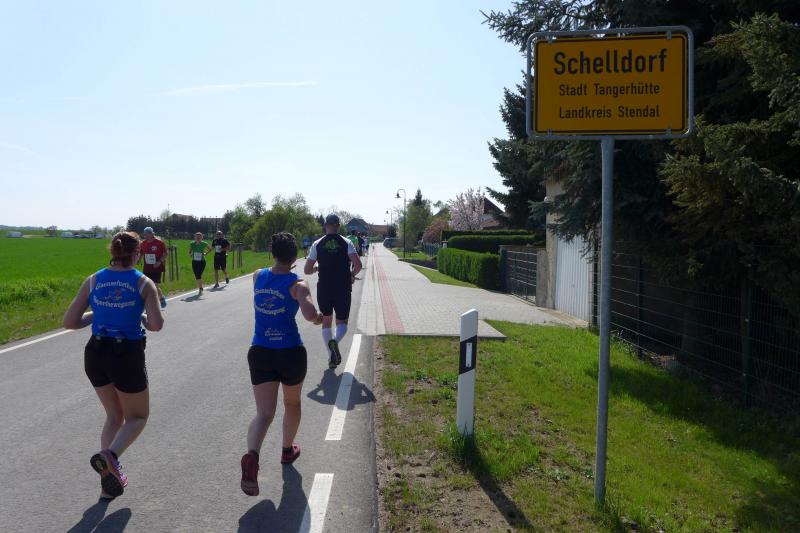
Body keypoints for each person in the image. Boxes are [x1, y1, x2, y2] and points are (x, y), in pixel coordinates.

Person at [62, 231, 164, 500]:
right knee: (138, 417)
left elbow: (69, 322)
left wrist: (97, 314)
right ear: (138, 253)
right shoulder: (143, 282)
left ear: (113, 251)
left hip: (95, 353)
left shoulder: (93, 279)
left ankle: (107, 484)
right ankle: (110, 456)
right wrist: (142, 318)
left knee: (114, 416)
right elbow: (156, 325)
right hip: (125, 353)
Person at [240, 232, 324, 496]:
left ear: (273, 253)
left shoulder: (257, 276)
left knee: (264, 413)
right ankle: (287, 451)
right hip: (289, 352)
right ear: (295, 255)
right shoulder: (298, 284)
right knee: (292, 403)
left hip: (260, 351)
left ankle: (252, 455)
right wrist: (320, 318)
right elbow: (309, 314)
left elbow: (267, 281)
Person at [304, 214, 362, 369]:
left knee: (326, 321)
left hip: (324, 288)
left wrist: (317, 268)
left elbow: (307, 269)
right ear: (338, 226)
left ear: (325, 225)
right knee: (342, 322)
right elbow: (358, 265)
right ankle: (334, 342)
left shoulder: (317, 244)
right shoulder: (346, 242)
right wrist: (352, 275)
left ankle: (331, 357)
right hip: (342, 287)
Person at [139, 227, 168, 308]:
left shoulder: (159, 242)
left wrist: (159, 262)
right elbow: (141, 253)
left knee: (155, 285)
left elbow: (165, 253)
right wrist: (138, 260)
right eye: (145, 234)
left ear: (152, 234)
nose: (146, 236)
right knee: (145, 285)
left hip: (157, 267)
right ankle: (149, 303)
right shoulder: (143, 243)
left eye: (147, 234)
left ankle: (161, 298)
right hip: (147, 267)